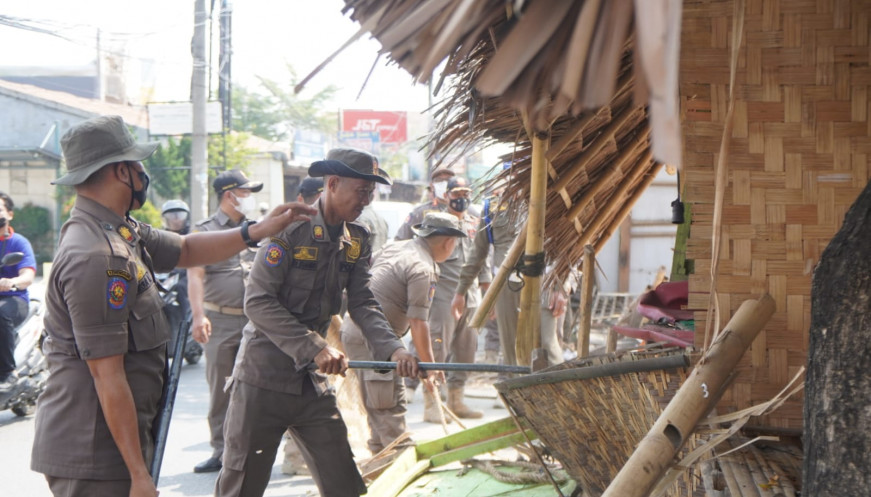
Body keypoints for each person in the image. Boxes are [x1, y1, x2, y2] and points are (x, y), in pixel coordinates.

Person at [30, 115, 315, 497]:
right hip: (96, 451)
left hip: (116, 442)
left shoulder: (120, 229)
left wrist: (257, 230)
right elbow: (106, 376)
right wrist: (137, 475)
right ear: (121, 171)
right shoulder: (96, 255)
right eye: (138, 165)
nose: (143, 173)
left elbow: (186, 248)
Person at [215, 147, 420, 497]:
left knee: (344, 483)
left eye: (371, 193)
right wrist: (315, 347)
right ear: (333, 183)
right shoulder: (289, 230)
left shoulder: (357, 239)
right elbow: (258, 302)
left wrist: (395, 349)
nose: (366, 201)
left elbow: (362, 302)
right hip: (262, 381)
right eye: (361, 191)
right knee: (241, 487)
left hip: (310, 382)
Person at [340, 211, 465, 454]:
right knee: (388, 407)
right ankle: (399, 456)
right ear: (449, 243)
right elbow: (418, 322)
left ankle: (380, 459)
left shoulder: (397, 247)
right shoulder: (423, 268)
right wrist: (430, 366)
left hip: (357, 332)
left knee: (377, 406)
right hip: (375, 341)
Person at [187, 170, 264, 474]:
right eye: (246, 192)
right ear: (230, 195)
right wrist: (198, 315)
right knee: (221, 389)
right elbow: (195, 274)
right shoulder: (204, 231)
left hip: (256, 321)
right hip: (220, 319)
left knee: (255, 388)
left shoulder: (257, 228)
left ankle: (251, 449)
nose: (250, 197)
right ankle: (221, 452)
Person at [451, 192, 567, 372]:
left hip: (543, 282)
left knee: (548, 344)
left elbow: (564, 248)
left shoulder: (550, 199)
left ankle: (560, 393)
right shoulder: (492, 207)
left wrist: (560, 288)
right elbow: (478, 254)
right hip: (507, 284)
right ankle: (519, 394)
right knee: (512, 348)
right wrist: (460, 292)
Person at [0, 192, 37, 392]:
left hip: (14, 298)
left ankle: (8, 372)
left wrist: (12, 282)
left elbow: (27, 277)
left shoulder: (19, 243)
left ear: (10, 215)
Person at [393, 166, 455, 241]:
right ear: (432, 186)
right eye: (439, 180)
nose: (444, 183)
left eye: (448, 180)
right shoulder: (420, 212)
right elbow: (400, 239)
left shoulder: (466, 211)